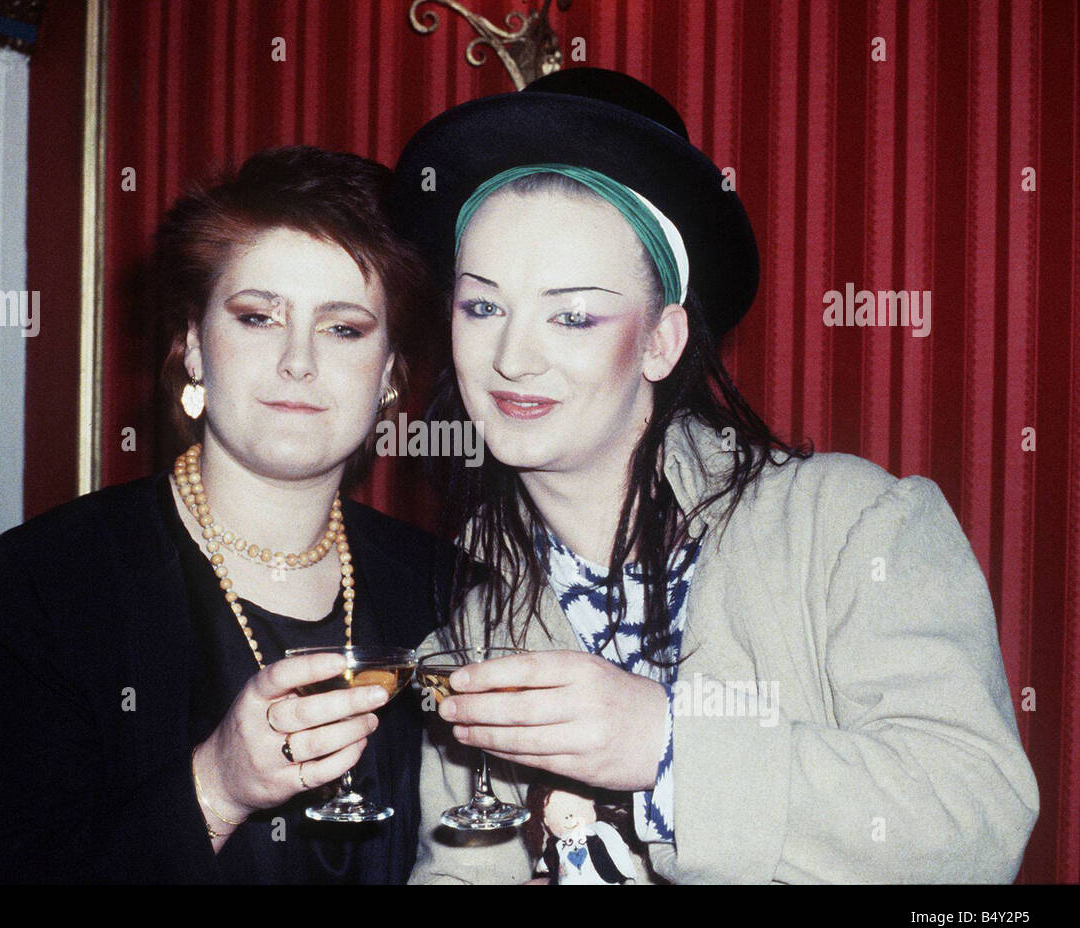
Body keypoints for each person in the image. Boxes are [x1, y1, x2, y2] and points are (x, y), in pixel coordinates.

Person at [391, 68, 1039, 884]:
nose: (512, 358)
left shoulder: (852, 527)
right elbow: (458, 868)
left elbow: (977, 820)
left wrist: (663, 747)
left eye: (574, 315)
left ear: (661, 341)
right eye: (483, 307)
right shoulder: (470, 627)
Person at [0, 146, 449, 883]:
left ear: (391, 376)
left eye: (344, 328)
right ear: (191, 343)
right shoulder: (45, 585)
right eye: (257, 317)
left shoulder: (447, 589)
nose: (298, 361)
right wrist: (214, 788)